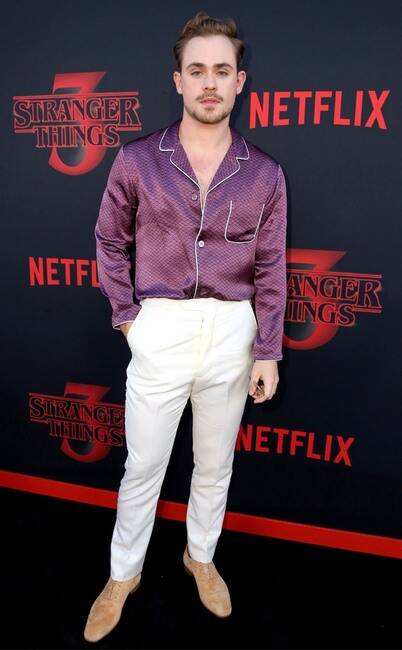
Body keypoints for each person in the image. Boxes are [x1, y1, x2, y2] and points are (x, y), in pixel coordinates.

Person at [83, 9, 288, 642]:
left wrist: (267, 350)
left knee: (214, 465)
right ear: (178, 80)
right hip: (160, 328)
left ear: (240, 81)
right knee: (143, 466)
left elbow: (272, 267)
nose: (209, 82)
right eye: (196, 70)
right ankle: (123, 574)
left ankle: (200, 557)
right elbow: (108, 241)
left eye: (221, 71)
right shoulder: (138, 160)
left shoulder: (265, 174)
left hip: (232, 332)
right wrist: (130, 321)